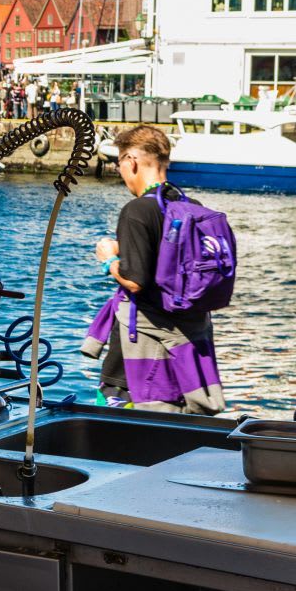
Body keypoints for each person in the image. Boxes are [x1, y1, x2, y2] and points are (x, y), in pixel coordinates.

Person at [82, 125, 225, 413]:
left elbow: (136, 281)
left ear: (131, 161)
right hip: (185, 346)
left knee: (120, 433)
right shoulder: (190, 206)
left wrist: (109, 259)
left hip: (137, 356)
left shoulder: (136, 211)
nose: (120, 170)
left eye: (119, 162)